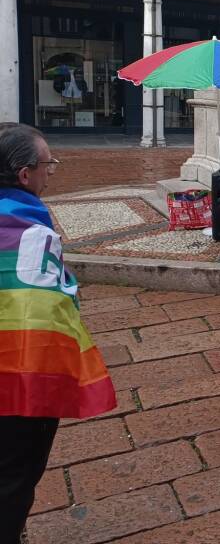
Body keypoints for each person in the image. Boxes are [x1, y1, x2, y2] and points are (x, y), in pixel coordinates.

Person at [0, 124, 116, 541]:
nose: (52, 171)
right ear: (25, 175)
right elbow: (51, 312)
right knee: (13, 476)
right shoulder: (35, 236)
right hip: (16, 382)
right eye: (48, 164)